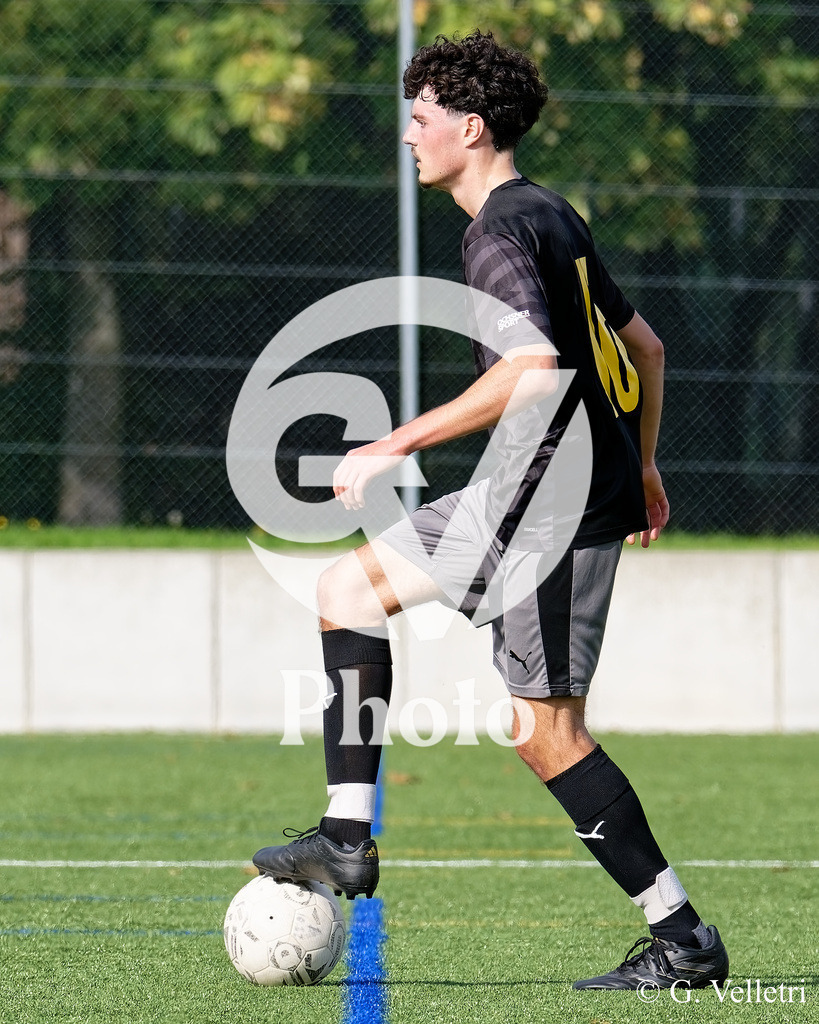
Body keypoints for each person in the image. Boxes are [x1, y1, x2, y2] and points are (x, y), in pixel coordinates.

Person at [253, 30, 728, 991]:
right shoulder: (550, 214)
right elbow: (646, 349)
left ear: (469, 128)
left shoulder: (498, 229)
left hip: (547, 511)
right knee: (346, 588)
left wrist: (393, 442)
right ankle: (347, 834)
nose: (408, 136)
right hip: (525, 493)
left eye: (420, 118)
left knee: (543, 730)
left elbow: (534, 369)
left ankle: (682, 939)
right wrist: (641, 469)